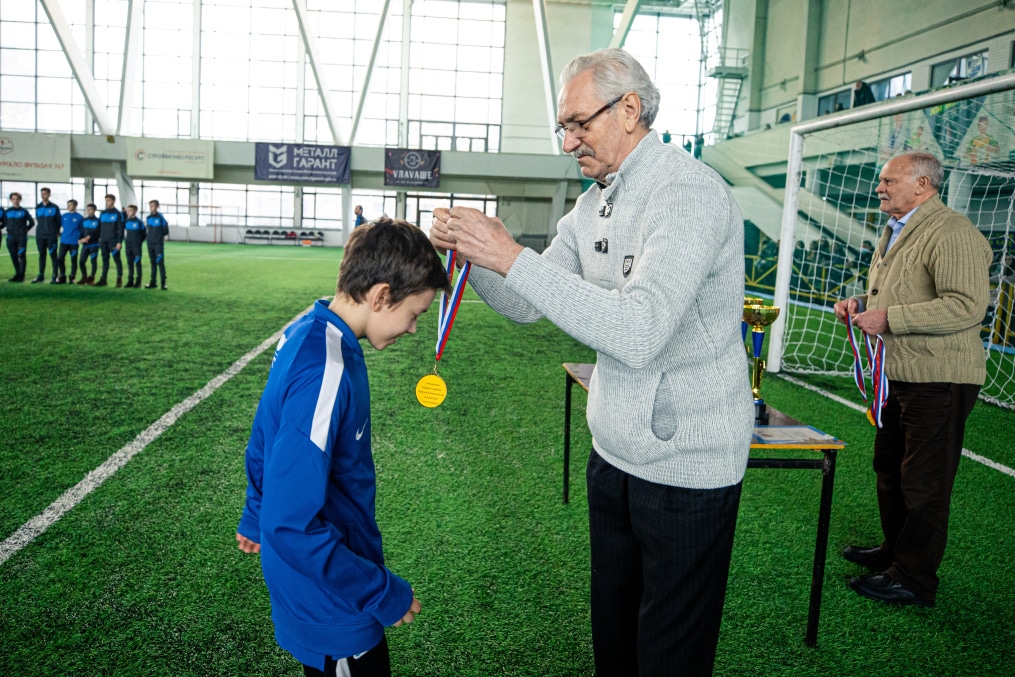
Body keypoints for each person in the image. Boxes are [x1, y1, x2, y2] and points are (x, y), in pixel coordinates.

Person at [430, 48, 753, 676]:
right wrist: (481, 255)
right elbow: (529, 303)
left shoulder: (688, 192)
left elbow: (639, 332)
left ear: (630, 109)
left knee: (668, 656)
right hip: (613, 454)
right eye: (563, 127)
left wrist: (510, 256)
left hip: (687, 467)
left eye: (580, 122)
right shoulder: (592, 203)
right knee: (614, 640)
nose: (569, 141)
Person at [236, 218, 451, 677]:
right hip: (333, 596)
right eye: (414, 314)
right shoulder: (326, 368)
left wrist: (254, 512)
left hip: (326, 578)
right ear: (380, 296)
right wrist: (379, 592)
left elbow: (263, 434)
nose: (414, 329)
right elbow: (290, 526)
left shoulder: (307, 329)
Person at [833, 152, 991, 607]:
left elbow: (965, 306)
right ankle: (895, 552)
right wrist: (861, 302)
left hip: (939, 378)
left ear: (922, 185)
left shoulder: (952, 231)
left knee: (925, 482)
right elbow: (903, 291)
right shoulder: (898, 228)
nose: (879, 187)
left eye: (889, 180)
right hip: (900, 374)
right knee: (890, 467)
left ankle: (915, 579)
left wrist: (891, 318)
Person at [5, 192, 35, 283]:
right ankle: (17, 274)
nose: (15, 201)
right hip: (10, 237)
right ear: (11, 200)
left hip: (21, 237)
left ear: (20, 200)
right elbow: (5, 222)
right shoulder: (7, 211)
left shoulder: (24, 211)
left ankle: (22, 275)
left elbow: (32, 223)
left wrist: (24, 230)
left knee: (21, 256)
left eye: (17, 199)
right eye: (13, 199)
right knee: (14, 256)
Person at [33, 187, 61, 284]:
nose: (43, 195)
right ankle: (41, 275)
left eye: (45, 193)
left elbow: (58, 221)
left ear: (49, 194)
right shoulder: (38, 207)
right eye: (42, 193)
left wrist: (56, 232)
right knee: (42, 255)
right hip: (40, 235)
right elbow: (38, 220)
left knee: (53, 255)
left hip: (51, 236)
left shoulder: (54, 207)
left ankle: (55, 276)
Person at [95, 194, 124, 287]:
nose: (107, 202)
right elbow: (99, 227)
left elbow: (120, 229)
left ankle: (119, 279)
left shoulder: (118, 214)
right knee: (105, 260)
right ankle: (103, 279)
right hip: (103, 241)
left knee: (117, 260)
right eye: (106, 200)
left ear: (113, 201)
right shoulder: (102, 213)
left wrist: (119, 241)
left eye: (109, 200)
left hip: (113, 241)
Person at [56, 199, 84, 284]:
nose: (68, 206)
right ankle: (62, 275)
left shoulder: (79, 217)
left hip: (74, 242)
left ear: (75, 206)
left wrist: (80, 239)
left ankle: (72, 277)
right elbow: (58, 226)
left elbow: (82, 229)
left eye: (70, 205)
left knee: (73, 260)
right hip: (64, 241)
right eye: (68, 205)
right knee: (60, 258)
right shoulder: (64, 216)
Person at [144, 200, 170, 290]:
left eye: (153, 206)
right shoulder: (148, 218)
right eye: (150, 206)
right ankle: (153, 282)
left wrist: (158, 237)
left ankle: (163, 283)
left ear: (157, 206)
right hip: (149, 243)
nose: (151, 208)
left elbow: (166, 231)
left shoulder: (161, 218)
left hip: (158, 244)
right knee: (153, 263)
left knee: (160, 262)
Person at [123, 205, 146, 288]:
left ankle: (138, 282)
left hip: (136, 246)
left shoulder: (139, 222)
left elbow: (144, 234)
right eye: (128, 210)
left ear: (135, 211)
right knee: (130, 264)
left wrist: (138, 242)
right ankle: (130, 281)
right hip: (128, 246)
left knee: (137, 263)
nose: (128, 212)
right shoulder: (126, 221)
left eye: (130, 210)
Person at [77, 203, 100, 285]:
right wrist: (80, 239)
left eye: (90, 209)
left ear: (94, 210)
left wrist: (90, 237)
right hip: (85, 246)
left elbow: (98, 232)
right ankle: (84, 277)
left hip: (94, 245)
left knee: (93, 261)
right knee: (81, 261)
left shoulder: (98, 221)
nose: (88, 211)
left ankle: (91, 278)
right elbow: (82, 231)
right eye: (88, 209)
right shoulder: (84, 220)